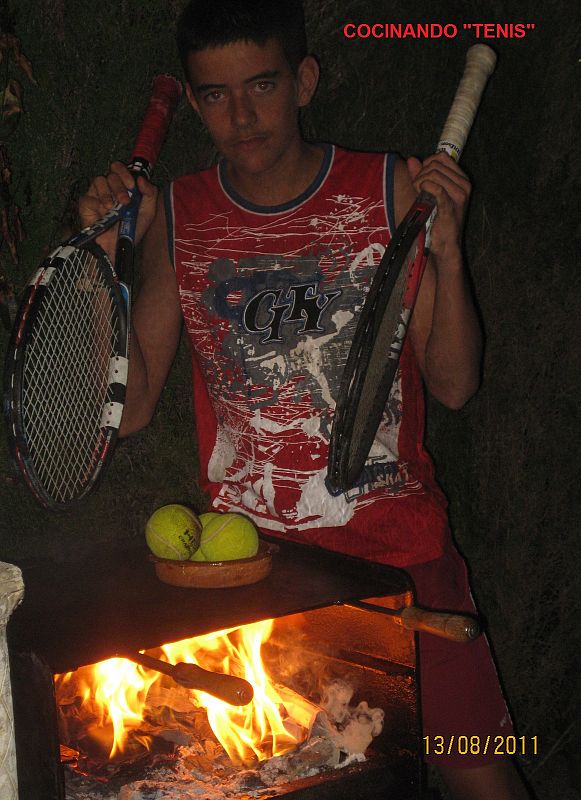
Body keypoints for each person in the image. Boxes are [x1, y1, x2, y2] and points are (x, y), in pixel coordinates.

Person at [80, 2, 531, 797]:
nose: (243, 115)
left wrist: (449, 253)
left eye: (261, 85)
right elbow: (136, 402)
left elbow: (456, 385)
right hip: (262, 579)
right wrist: (100, 260)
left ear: (304, 81)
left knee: (481, 780)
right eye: (216, 95)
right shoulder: (180, 215)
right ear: (192, 101)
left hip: (404, 560)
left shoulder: (387, 188)